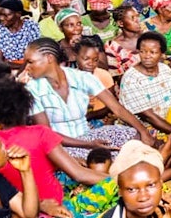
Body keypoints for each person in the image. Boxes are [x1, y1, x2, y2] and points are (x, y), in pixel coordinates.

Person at [0, 74, 121, 217]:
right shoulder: (40, 133)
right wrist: (117, 179)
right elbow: (80, 175)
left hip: (19, 204)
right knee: (110, 184)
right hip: (57, 204)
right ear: (26, 108)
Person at [24, 38, 154, 158]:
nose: (26, 68)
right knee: (106, 159)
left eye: (30, 62)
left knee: (132, 136)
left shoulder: (81, 78)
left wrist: (143, 132)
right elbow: (47, 134)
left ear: (49, 58)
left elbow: (117, 109)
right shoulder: (32, 89)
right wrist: (88, 145)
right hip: (61, 146)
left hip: (88, 136)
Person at [100, 140, 171, 218]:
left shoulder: (164, 208)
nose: (143, 197)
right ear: (120, 191)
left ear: (161, 184)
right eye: (132, 189)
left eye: (151, 185)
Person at [118, 31, 171, 136]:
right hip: (144, 129)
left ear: (162, 54)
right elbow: (148, 117)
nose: (147, 56)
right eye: (143, 51)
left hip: (168, 122)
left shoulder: (165, 69)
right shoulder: (132, 79)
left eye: (153, 52)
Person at [0, 0, 39, 68]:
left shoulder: (31, 27)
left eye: (6, 15)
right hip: (7, 70)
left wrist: (15, 65)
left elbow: (35, 54)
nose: (1, 18)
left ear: (18, 14)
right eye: (0, 15)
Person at [104, 6, 141, 78]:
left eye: (138, 16)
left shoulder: (148, 36)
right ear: (121, 23)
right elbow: (116, 75)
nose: (137, 20)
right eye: (133, 18)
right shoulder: (112, 47)